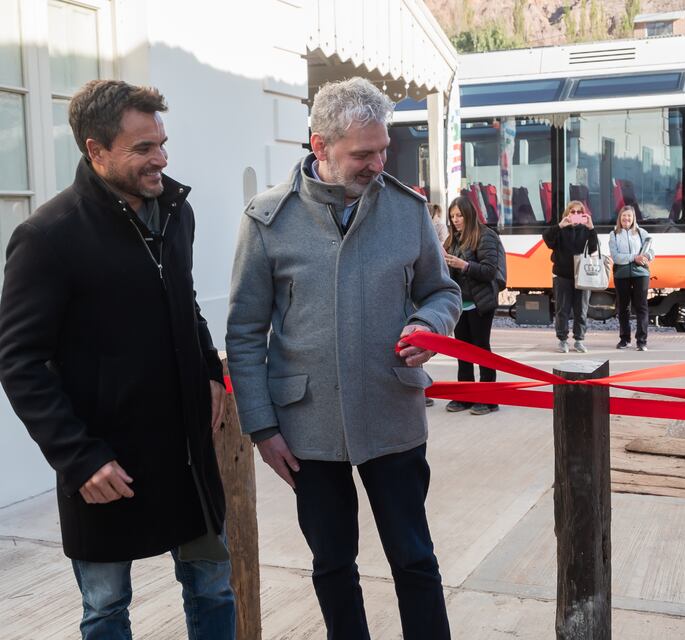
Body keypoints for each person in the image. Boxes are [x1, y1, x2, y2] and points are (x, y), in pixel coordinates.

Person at [226, 77, 460, 640]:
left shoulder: (407, 211)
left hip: (392, 415)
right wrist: (262, 429)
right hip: (307, 430)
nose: (378, 164)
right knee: (332, 564)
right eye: (362, 154)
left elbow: (442, 291)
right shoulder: (266, 220)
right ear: (320, 146)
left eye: (383, 150)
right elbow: (245, 333)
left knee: (415, 558)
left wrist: (430, 325)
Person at [0, 80, 235, 639]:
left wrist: (209, 370)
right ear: (96, 150)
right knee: (106, 608)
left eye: (162, 143)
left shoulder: (176, 211)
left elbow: (185, 301)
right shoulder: (46, 236)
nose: (161, 159)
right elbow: (18, 360)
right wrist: (78, 458)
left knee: (212, 589)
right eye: (143, 148)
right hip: (105, 466)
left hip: (187, 457)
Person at [442, 196, 501, 416]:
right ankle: (464, 396)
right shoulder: (452, 239)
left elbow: (489, 271)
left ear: (469, 214)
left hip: (480, 302)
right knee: (462, 351)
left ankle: (488, 399)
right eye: (452, 216)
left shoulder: (486, 235)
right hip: (460, 304)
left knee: (481, 349)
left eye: (459, 215)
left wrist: (464, 265)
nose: (455, 220)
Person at [543, 200, 598, 353]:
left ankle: (579, 340)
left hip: (583, 276)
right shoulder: (560, 230)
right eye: (572, 212)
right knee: (562, 309)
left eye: (579, 212)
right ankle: (562, 340)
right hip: (562, 275)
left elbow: (594, 248)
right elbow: (547, 239)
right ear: (567, 214)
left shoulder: (586, 230)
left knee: (581, 310)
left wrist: (591, 228)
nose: (575, 214)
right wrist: (560, 225)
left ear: (583, 214)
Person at [608, 205, 653, 351]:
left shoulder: (642, 232)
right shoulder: (614, 234)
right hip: (621, 275)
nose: (626, 218)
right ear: (619, 218)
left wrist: (646, 257)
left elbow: (651, 252)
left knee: (641, 307)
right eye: (624, 216)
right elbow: (616, 257)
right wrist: (635, 257)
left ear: (633, 218)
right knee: (623, 308)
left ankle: (642, 341)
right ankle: (624, 339)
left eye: (629, 216)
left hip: (641, 274)